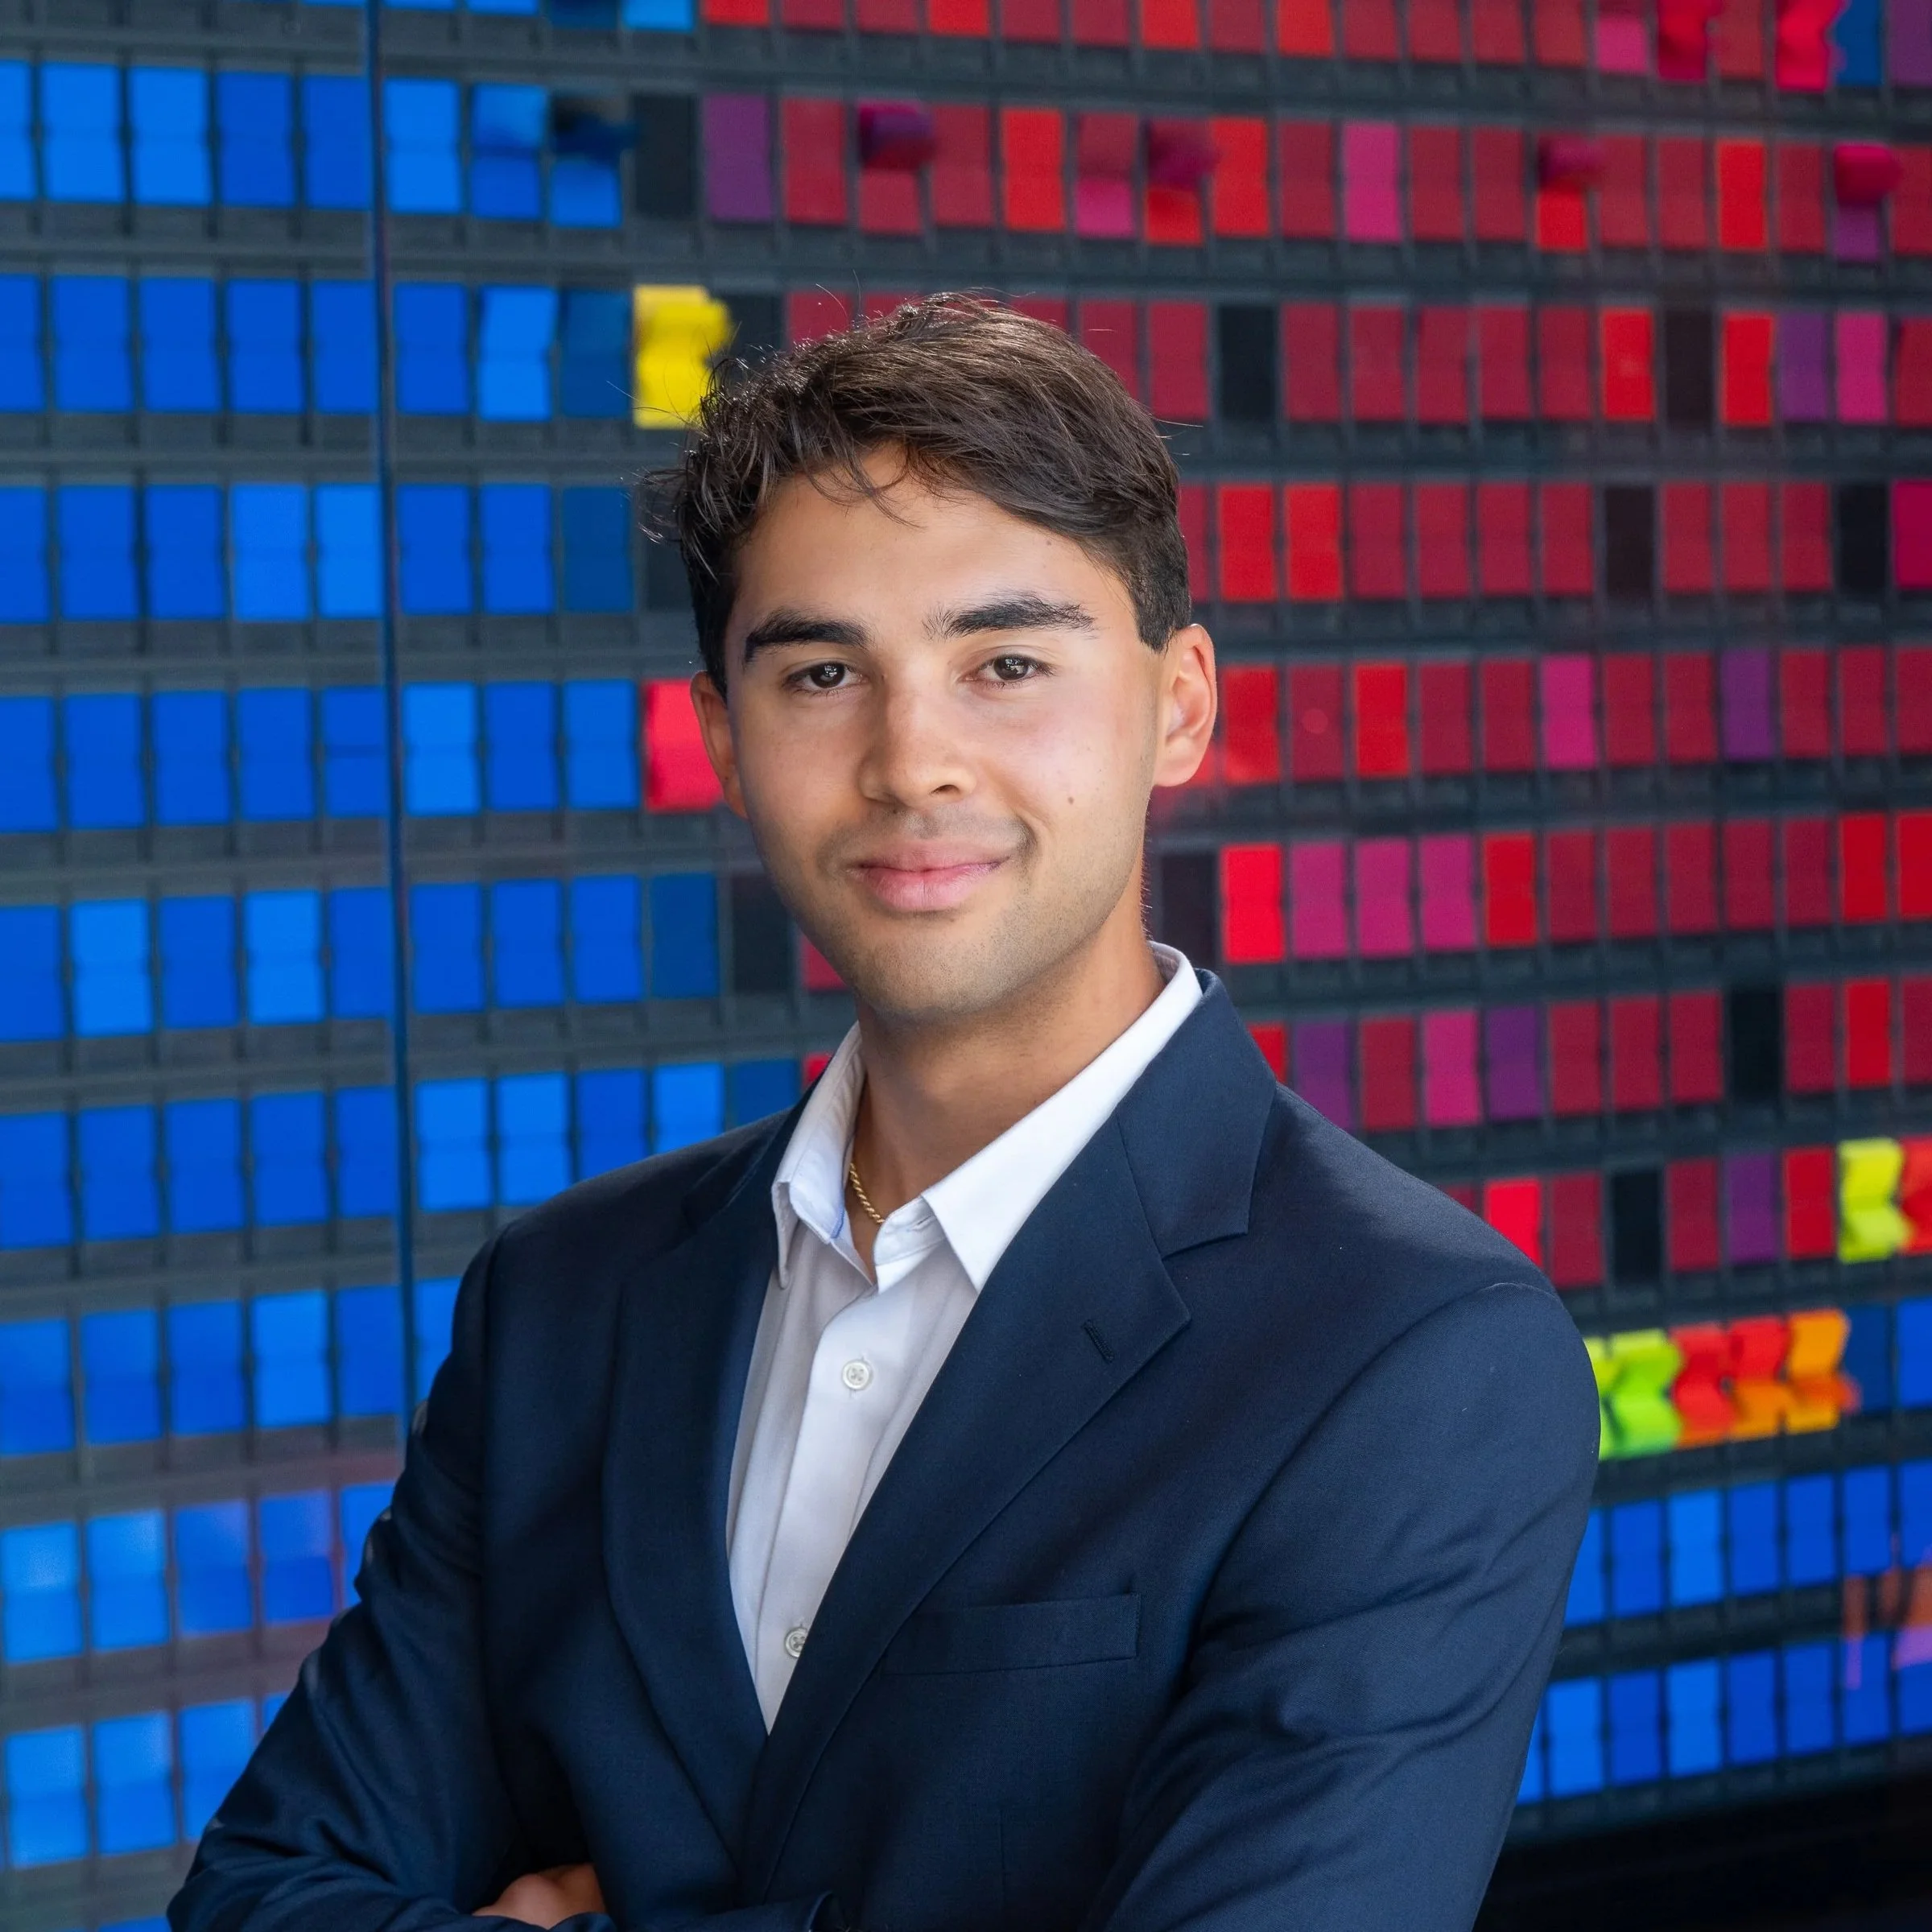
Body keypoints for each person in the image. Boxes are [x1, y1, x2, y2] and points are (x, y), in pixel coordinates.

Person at [171, 295, 1599, 1932]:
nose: (911, 761)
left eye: (1005, 663)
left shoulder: (1411, 1351)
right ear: (722, 734)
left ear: (1181, 705)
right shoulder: (564, 1303)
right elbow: (263, 1898)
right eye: (824, 673)